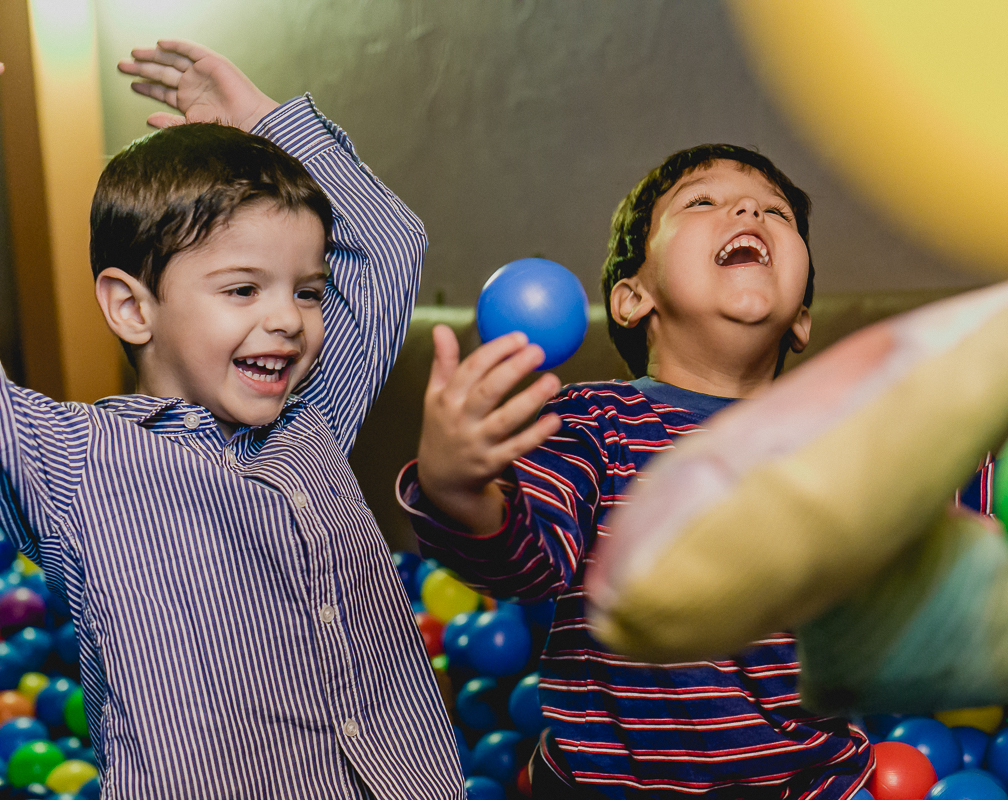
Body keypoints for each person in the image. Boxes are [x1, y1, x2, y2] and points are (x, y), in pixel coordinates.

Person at [0, 41, 463, 798]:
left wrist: (266, 124)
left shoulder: (311, 418)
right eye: (243, 290)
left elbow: (385, 249)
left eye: (309, 291)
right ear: (131, 306)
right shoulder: (76, 463)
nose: (288, 319)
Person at [399, 145, 872, 799]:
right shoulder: (592, 423)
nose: (746, 209)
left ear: (801, 319)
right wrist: (459, 485)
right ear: (632, 297)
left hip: (801, 783)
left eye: (776, 212)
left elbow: (970, 510)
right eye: (702, 201)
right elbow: (527, 558)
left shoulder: (848, 439)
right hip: (605, 784)